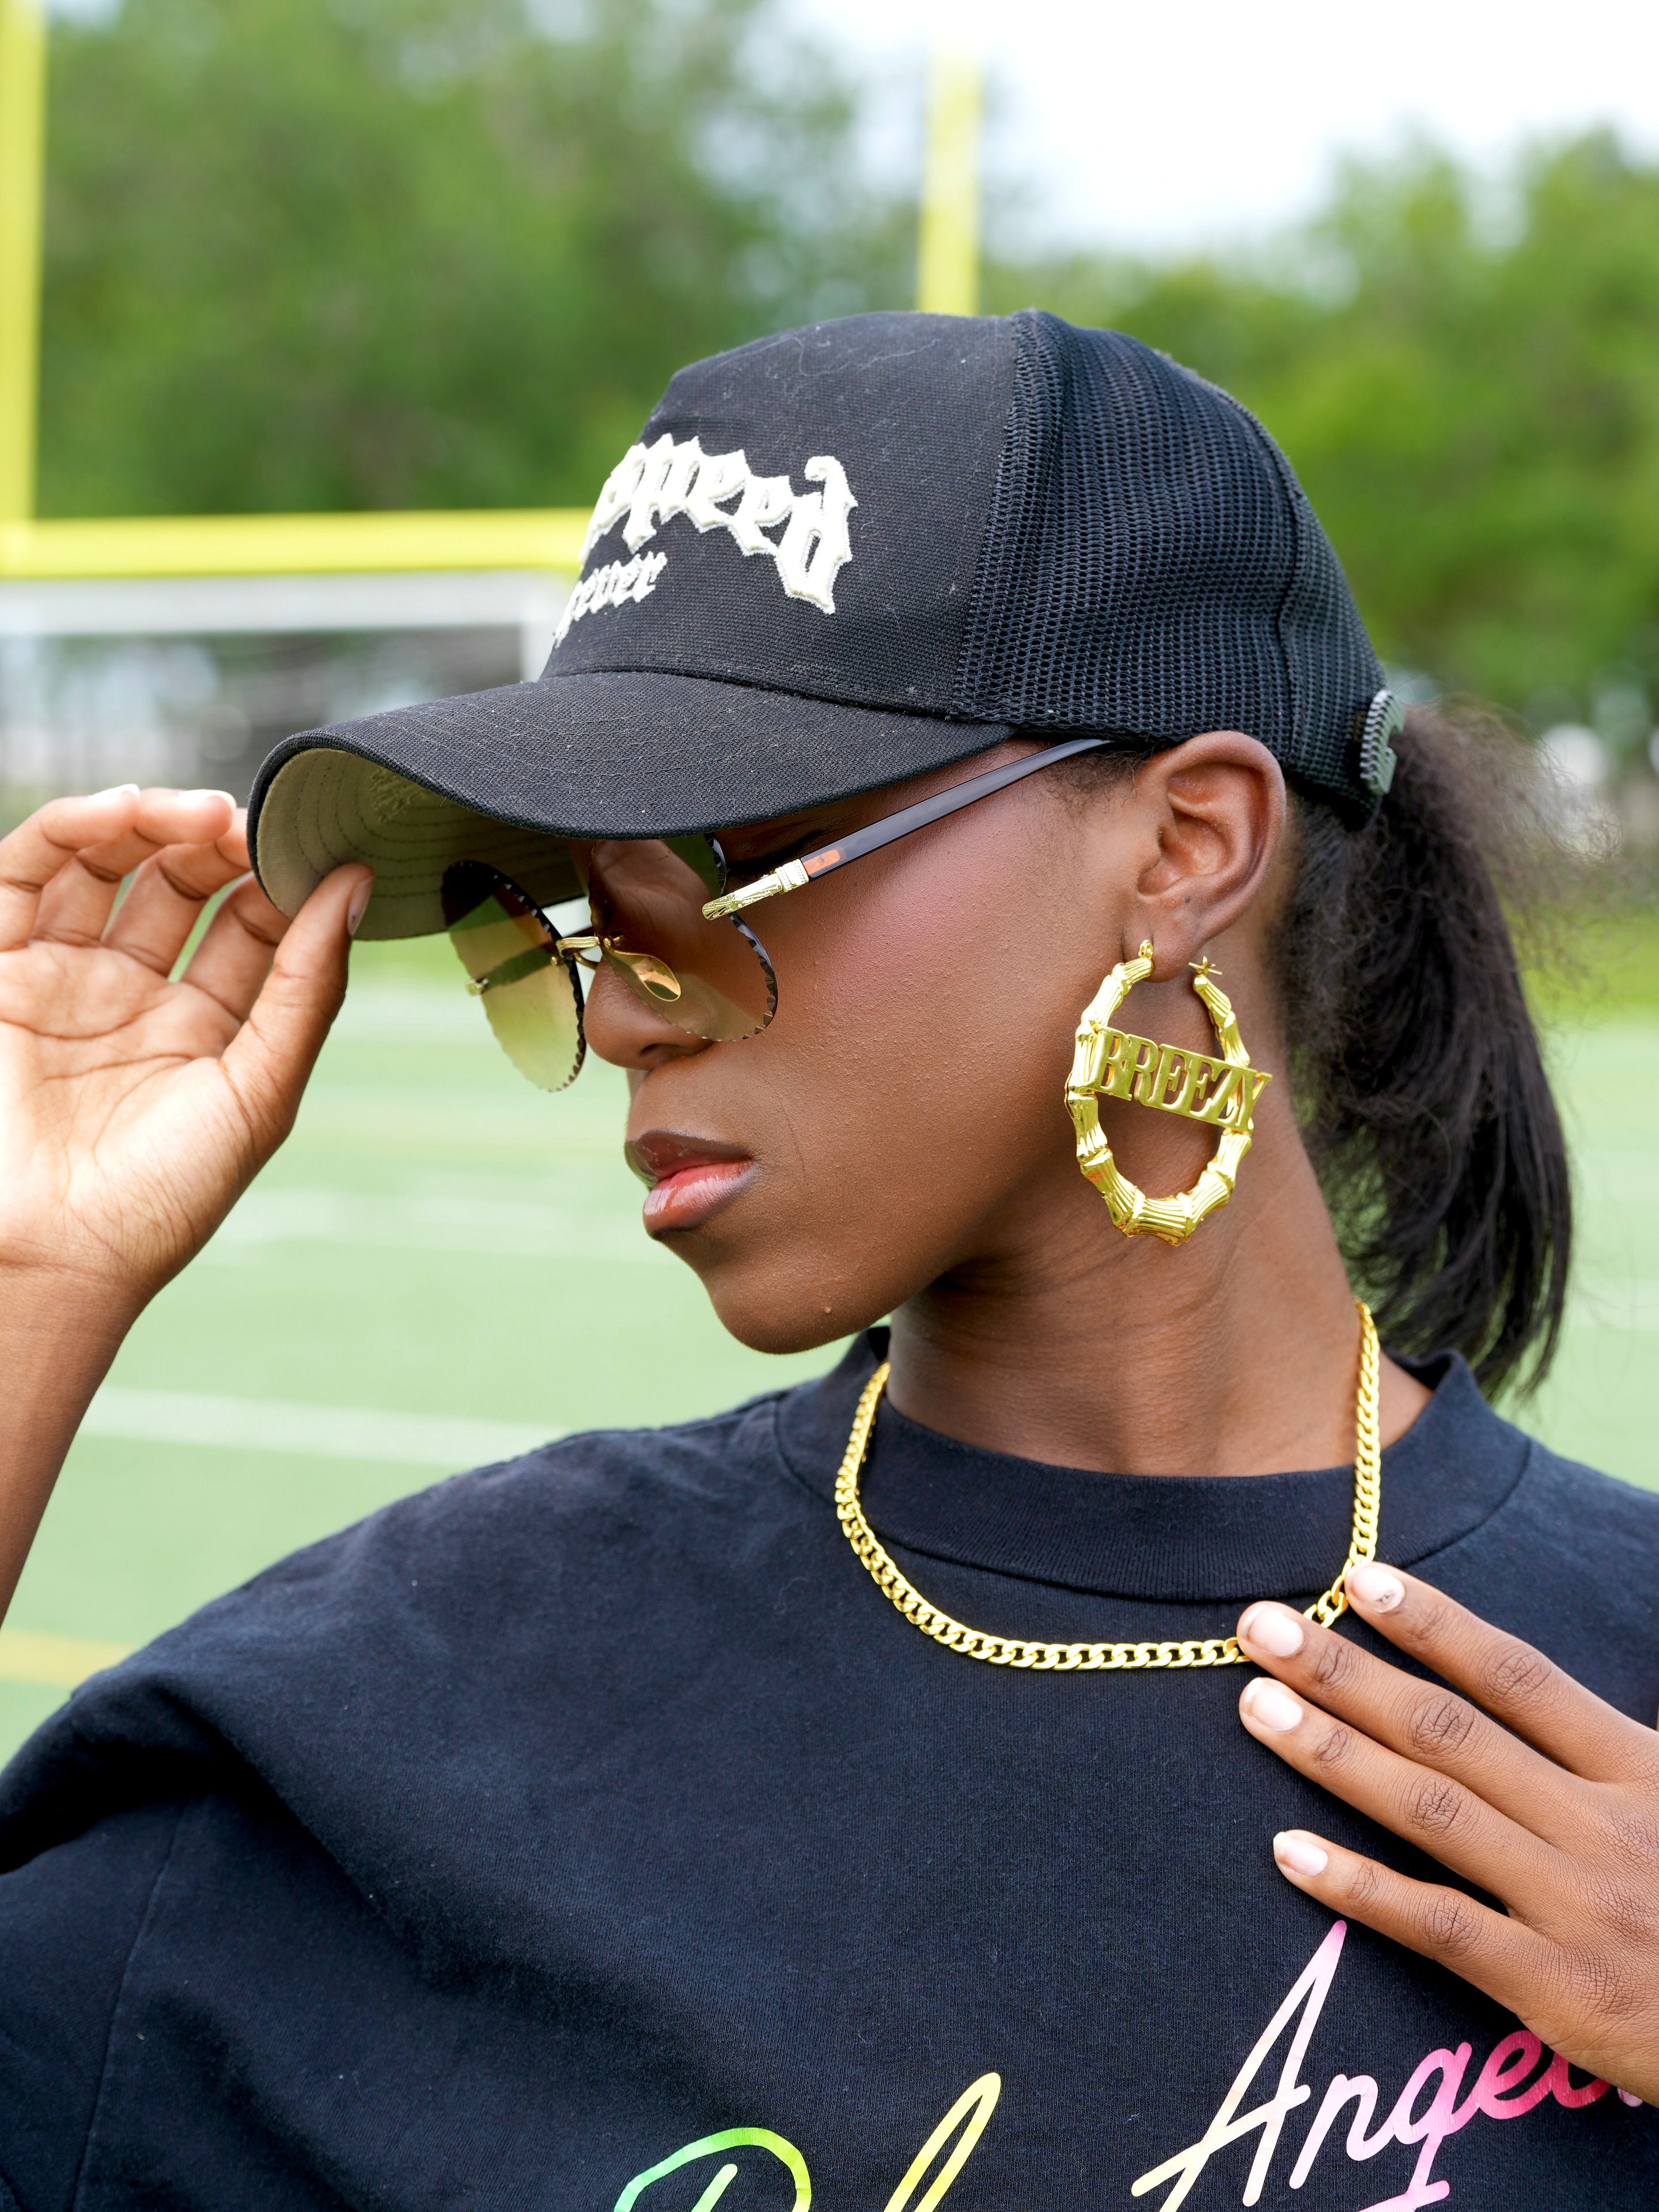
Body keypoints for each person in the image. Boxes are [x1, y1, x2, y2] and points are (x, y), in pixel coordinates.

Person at [0, 309, 1656, 2211]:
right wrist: (24, 1282)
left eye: (718, 874)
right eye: (573, 926)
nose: (622, 1015)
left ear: (1190, 842)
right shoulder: (395, 1727)